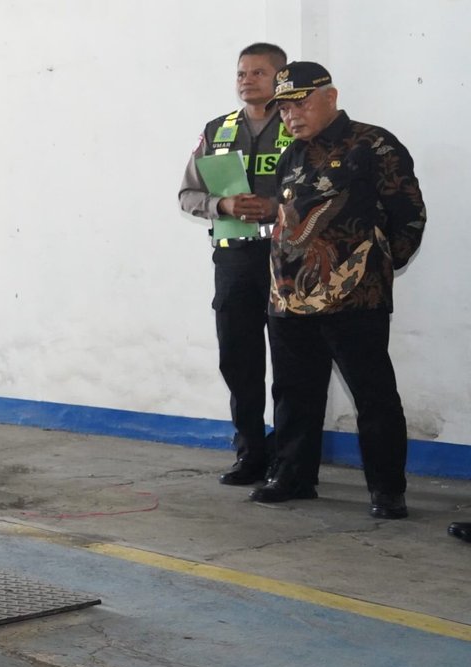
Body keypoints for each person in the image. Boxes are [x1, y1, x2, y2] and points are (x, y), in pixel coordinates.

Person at [251, 62, 426, 518]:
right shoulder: (292, 157)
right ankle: (292, 476)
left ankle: (387, 490)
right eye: (284, 108)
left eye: (301, 103)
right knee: (293, 392)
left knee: (374, 396)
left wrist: (376, 268)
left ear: (330, 96)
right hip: (289, 299)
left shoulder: (374, 145)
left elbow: (408, 214)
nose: (291, 116)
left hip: (354, 298)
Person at [179, 42, 292, 486]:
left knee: (292, 363)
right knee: (239, 360)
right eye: (242, 73)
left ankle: (290, 459)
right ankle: (250, 454)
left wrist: (277, 207)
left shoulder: (298, 124)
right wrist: (222, 203)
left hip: (289, 259)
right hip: (235, 260)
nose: (247, 80)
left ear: (279, 79)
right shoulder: (218, 130)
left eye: (259, 73)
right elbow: (187, 195)